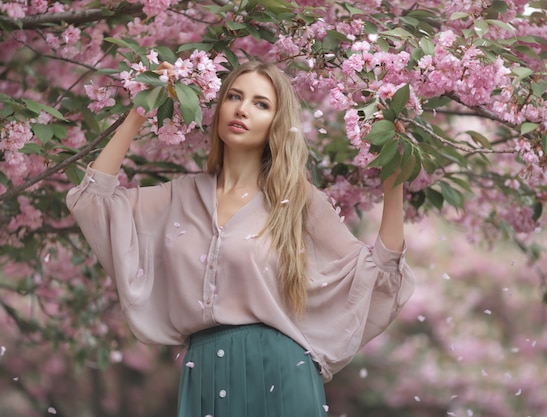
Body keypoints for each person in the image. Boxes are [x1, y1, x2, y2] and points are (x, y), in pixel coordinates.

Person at [66, 59, 416, 417]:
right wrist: (139, 112)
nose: (243, 109)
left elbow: (378, 273)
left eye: (261, 104)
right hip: (202, 372)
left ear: (276, 124)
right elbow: (93, 202)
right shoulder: (179, 196)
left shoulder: (297, 199)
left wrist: (395, 182)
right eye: (234, 96)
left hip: (281, 373)